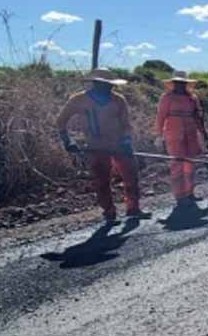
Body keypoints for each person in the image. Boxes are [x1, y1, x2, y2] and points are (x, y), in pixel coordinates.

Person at [56, 69, 146, 223]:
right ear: (96, 84)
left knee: (131, 176)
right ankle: (109, 212)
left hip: (119, 144)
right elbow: (61, 121)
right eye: (106, 85)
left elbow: (126, 125)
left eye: (111, 85)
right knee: (101, 180)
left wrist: (126, 141)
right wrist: (67, 140)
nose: (110, 87)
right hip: (96, 146)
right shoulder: (79, 100)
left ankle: (133, 209)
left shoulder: (118, 100)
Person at [156, 72, 207, 208]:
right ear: (173, 84)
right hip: (174, 133)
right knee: (177, 165)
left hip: (190, 133)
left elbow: (198, 116)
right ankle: (180, 196)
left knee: (190, 165)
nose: (180, 85)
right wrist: (158, 135)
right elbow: (161, 116)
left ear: (186, 84)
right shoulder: (166, 97)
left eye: (182, 83)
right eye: (178, 83)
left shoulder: (192, 98)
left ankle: (189, 193)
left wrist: (203, 132)